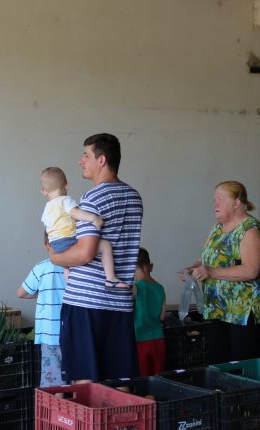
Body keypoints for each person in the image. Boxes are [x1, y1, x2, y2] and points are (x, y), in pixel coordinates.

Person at [48, 133, 143, 382]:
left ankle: (89, 424)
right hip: (120, 304)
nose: (81, 161)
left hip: (86, 303)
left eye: (86, 155)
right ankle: (123, 423)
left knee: (84, 381)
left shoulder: (93, 198)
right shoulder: (134, 197)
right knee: (120, 379)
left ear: (101, 160)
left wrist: (56, 259)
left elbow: (85, 252)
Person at [183, 181, 260, 363]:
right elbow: (206, 259)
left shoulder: (249, 230)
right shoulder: (216, 229)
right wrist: (193, 269)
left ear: (237, 203)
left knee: (241, 363)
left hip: (241, 312)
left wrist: (211, 272)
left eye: (220, 199)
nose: (215, 204)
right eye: (214, 200)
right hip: (217, 307)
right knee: (219, 362)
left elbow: (251, 270)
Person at [40, 167, 128, 288]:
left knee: (66, 265)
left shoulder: (47, 208)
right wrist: (94, 218)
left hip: (55, 244)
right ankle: (110, 278)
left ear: (44, 191)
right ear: (67, 185)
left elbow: (51, 225)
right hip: (68, 240)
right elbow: (76, 213)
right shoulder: (65, 200)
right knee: (105, 246)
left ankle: (69, 286)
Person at [18, 243, 67, 387]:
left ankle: (56, 409)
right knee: (76, 377)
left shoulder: (41, 268)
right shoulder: (75, 267)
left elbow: (21, 293)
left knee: (54, 379)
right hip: (73, 331)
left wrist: (42, 294)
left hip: (49, 331)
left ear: (47, 245)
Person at [133, 248, 166, 376]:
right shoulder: (160, 288)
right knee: (158, 379)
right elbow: (162, 317)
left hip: (141, 340)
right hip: (158, 340)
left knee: (143, 380)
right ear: (150, 266)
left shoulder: (136, 288)